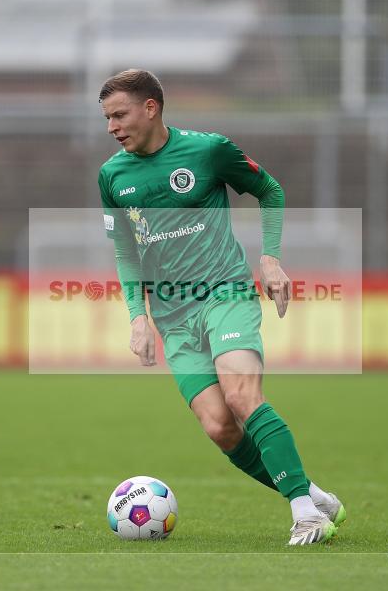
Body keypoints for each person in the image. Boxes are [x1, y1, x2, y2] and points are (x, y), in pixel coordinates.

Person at [98, 69, 345, 545]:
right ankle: (310, 492)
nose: (111, 126)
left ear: (151, 108)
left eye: (119, 115)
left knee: (240, 396)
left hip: (225, 293)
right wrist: (137, 316)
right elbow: (126, 252)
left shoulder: (208, 151)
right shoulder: (112, 176)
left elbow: (270, 190)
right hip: (172, 316)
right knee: (219, 427)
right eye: (107, 118)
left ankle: (305, 515)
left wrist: (270, 259)